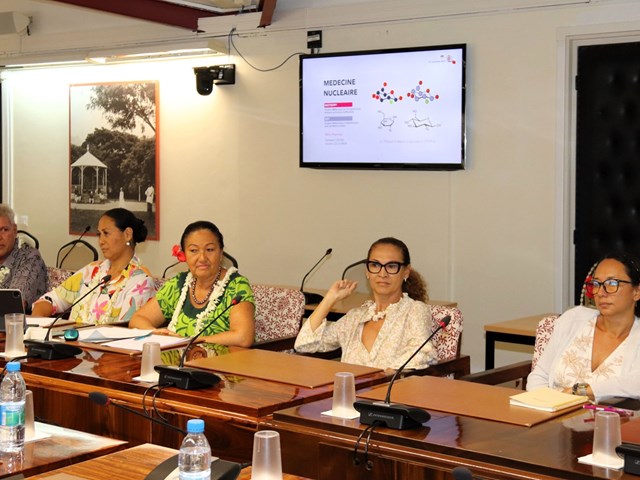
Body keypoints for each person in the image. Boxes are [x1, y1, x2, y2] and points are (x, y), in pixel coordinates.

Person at [294, 237, 437, 370]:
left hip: (391, 389)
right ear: (367, 272)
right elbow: (304, 344)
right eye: (375, 265)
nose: (382, 274)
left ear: (406, 272)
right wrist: (330, 298)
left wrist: (382, 376)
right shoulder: (355, 317)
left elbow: (423, 353)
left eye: (392, 266)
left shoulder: (415, 310)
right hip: (349, 389)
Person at [527, 252, 640, 402]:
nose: (601, 292)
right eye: (596, 284)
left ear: (636, 292)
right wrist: (547, 405)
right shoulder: (573, 319)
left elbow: (635, 383)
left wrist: (582, 390)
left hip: (607, 416)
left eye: (612, 284)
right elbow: (539, 376)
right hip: (552, 411)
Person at [129, 221, 255, 348]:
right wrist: (155, 332)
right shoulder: (178, 284)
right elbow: (138, 319)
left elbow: (243, 337)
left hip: (221, 359)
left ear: (221, 253)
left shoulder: (236, 286)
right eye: (194, 250)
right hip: (176, 358)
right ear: (184, 255)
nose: (202, 258)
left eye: (210, 250)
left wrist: (193, 342)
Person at [31, 208, 156, 325]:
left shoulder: (141, 282)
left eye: (106, 233)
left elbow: (127, 330)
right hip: (69, 340)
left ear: (127, 234)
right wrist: (37, 323)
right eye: (99, 234)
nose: (101, 241)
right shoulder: (92, 271)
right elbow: (50, 300)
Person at [0, 204, 47, 309]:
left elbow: (14, 303)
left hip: (18, 318)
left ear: (14, 230)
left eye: (4, 230)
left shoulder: (29, 257)